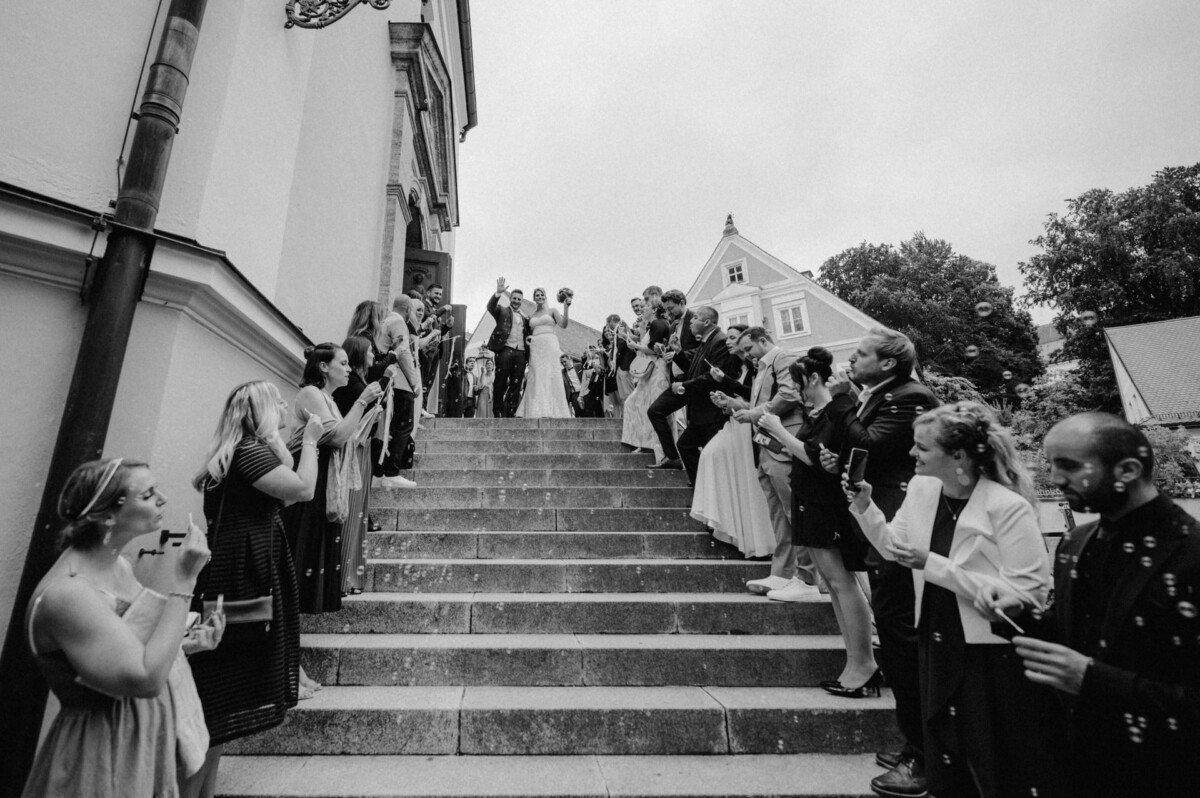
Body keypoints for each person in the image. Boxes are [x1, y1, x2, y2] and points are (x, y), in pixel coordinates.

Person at [847, 401, 1061, 797]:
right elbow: (897, 548)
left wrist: (937, 566)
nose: (912, 454)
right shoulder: (924, 489)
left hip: (987, 650)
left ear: (958, 455)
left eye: (922, 448)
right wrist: (865, 505)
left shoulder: (1006, 507)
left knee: (988, 750)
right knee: (942, 743)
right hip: (934, 633)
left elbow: (1030, 595)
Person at [981, 413, 1200, 798]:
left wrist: (1094, 680)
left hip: (1167, 772)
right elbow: (1075, 636)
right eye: (1050, 464)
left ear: (1128, 469)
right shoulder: (1076, 542)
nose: (1053, 479)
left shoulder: (1192, 554)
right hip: (1078, 764)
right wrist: (1019, 616)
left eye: (1067, 465)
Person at [21, 459, 214, 798]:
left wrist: (184, 646)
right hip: (101, 750)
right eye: (148, 494)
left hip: (142, 739)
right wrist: (184, 581)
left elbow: (121, 650)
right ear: (108, 515)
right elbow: (144, 678)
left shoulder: (120, 565)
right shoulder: (68, 593)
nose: (163, 499)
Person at [820, 327, 939, 796]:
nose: (853, 358)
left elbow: (874, 444)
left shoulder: (908, 396)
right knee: (893, 627)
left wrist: (843, 400)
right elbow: (859, 448)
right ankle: (916, 742)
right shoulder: (883, 392)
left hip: (898, 519)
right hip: (878, 513)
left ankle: (925, 755)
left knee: (901, 632)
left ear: (888, 363)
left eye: (862, 353)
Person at [188, 382, 322, 793]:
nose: (286, 404)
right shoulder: (248, 451)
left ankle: (202, 791)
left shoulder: (248, 453)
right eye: (278, 401)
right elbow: (303, 489)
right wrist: (312, 443)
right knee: (217, 693)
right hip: (239, 576)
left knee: (223, 700)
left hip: (245, 569)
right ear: (260, 410)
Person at [760, 347, 875, 696]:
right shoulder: (819, 413)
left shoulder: (836, 410)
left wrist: (778, 430)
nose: (797, 393)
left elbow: (814, 456)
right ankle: (854, 660)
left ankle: (864, 663)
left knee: (842, 583)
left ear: (813, 379)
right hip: (811, 504)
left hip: (826, 507)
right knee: (834, 583)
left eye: (799, 385)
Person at [281, 344, 383, 615]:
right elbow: (336, 437)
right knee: (302, 548)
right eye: (344, 363)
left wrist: (368, 415)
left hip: (325, 477)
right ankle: (289, 625)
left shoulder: (329, 399)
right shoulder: (311, 393)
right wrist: (362, 401)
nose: (349, 369)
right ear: (324, 366)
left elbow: (345, 435)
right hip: (309, 476)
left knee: (315, 550)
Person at [731, 327, 822, 601]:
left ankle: (808, 578)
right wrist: (737, 406)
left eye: (749, 349)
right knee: (779, 514)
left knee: (796, 510)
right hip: (766, 446)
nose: (746, 355)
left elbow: (789, 395)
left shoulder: (783, 357)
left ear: (763, 340)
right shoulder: (761, 367)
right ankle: (782, 573)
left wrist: (755, 412)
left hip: (785, 442)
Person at [690, 324, 775, 557]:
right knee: (711, 456)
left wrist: (728, 390)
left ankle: (750, 535)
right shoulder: (740, 367)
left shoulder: (758, 366)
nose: (729, 342)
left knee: (746, 479)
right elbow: (743, 397)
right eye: (728, 338)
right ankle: (727, 523)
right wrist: (726, 402)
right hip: (736, 422)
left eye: (733, 338)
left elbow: (754, 399)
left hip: (748, 426)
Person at [647, 306, 739, 484]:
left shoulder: (719, 341)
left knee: (702, 451)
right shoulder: (706, 341)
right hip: (701, 408)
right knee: (685, 444)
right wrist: (678, 352)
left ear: (706, 322)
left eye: (695, 318)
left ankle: (704, 491)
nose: (691, 321)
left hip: (711, 409)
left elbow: (711, 377)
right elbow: (694, 369)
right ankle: (701, 490)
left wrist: (684, 385)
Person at [332, 336, 387, 595]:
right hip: (354, 448)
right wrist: (386, 379)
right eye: (369, 352)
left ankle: (353, 576)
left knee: (360, 511)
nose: (374, 356)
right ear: (358, 355)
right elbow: (370, 408)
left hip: (362, 449)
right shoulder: (353, 383)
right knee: (353, 510)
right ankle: (344, 576)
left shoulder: (359, 381)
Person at [621, 299, 672, 458]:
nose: (643, 309)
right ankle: (642, 442)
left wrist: (634, 346)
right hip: (650, 370)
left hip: (656, 370)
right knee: (633, 403)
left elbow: (654, 350)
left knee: (648, 405)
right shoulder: (654, 325)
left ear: (655, 309)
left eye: (646, 306)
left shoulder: (658, 324)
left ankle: (659, 448)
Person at [516, 288, 573, 418]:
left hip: (550, 343)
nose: (540, 297)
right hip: (536, 346)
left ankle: (554, 410)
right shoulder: (531, 315)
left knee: (551, 373)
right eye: (537, 295)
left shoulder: (552, 311)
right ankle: (535, 410)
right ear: (534, 298)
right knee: (536, 374)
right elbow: (526, 331)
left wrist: (566, 308)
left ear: (545, 296)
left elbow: (563, 325)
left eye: (542, 294)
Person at [486, 278, 532, 417]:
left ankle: (510, 410)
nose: (516, 301)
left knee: (516, 383)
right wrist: (498, 293)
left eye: (519, 299)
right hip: (505, 349)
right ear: (510, 298)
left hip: (521, 352)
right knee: (501, 380)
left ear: (522, 301)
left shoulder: (526, 318)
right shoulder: (502, 311)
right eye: (514, 298)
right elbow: (490, 307)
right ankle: (498, 410)